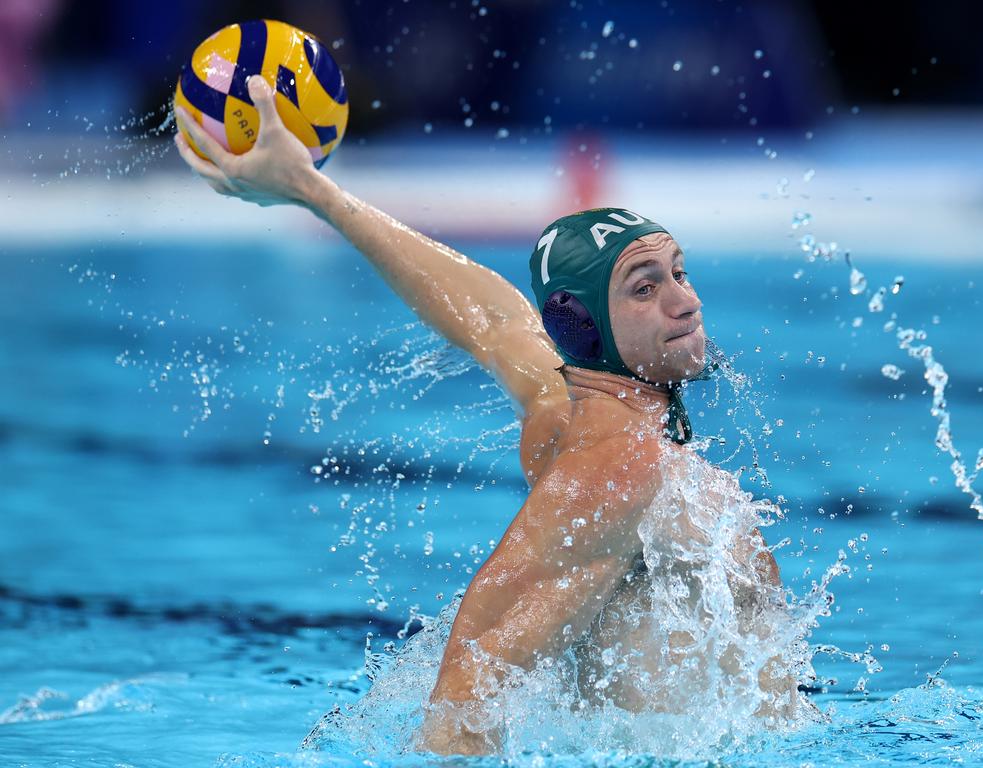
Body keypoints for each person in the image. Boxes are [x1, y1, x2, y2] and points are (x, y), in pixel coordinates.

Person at [175, 75, 799, 756]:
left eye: (680, 273)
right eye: (645, 288)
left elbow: (492, 320)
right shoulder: (618, 471)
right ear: (584, 326)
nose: (686, 303)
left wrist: (312, 190)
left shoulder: (566, 410)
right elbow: (471, 679)